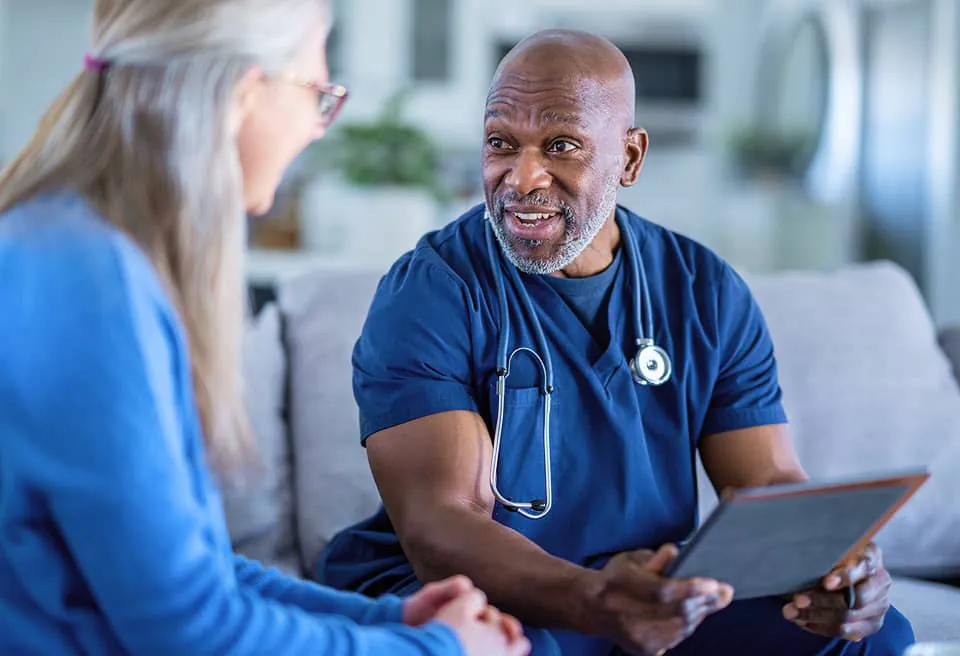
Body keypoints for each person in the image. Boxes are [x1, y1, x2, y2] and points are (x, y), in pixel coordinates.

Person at [316, 28, 916, 656]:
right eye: (501, 143)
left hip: (642, 590)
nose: (522, 178)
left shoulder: (704, 291)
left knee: (872, 638)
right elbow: (441, 525)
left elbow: (765, 479)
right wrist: (592, 600)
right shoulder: (432, 290)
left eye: (561, 145)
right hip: (478, 590)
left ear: (629, 158)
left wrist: (833, 565)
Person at [0, 1, 532, 655]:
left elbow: (199, 568)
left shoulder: (71, 247)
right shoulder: (88, 284)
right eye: (317, 93)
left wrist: (389, 623)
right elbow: (190, 629)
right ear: (246, 94)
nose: (316, 128)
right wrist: (443, 651)